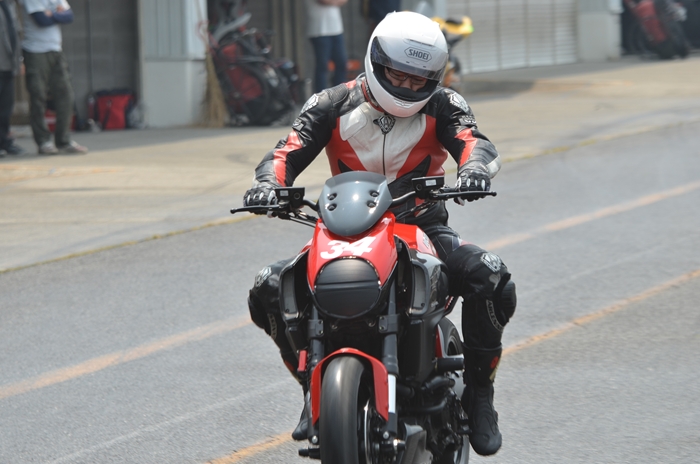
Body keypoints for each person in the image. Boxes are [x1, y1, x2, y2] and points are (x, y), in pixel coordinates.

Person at [243, 11, 517, 457]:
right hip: (343, 228)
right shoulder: (330, 103)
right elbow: (285, 153)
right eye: (397, 75)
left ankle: (480, 397)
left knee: (492, 278)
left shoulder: (445, 104)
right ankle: (312, 387)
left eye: (418, 79)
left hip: (423, 225)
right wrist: (268, 185)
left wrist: (474, 170)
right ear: (376, 61)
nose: (407, 86)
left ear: (434, 76)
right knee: (269, 288)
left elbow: (475, 143)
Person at [19, 0, 87, 155]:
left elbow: (69, 16)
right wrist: (57, 13)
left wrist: (51, 15)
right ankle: (43, 142)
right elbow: (41, 20)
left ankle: (64, 140)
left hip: (56, 50)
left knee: (66, 94)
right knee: (38, 96)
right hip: (35, 52)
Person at [305, 0, 348, 93]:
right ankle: (321, 96)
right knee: (323, 66)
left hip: (336, 29)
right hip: (319, 30)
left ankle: (339, 94)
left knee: (341, 63)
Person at [0, 0, 25, 157]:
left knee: (5, 108)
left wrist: (19, 61)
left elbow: (16, 34)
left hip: (8, 65)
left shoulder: (10, 5)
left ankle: (4, 142)